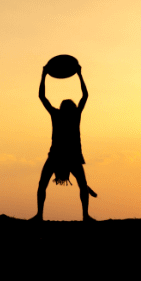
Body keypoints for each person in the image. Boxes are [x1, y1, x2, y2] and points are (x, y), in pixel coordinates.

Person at [33, 67, 96, 221]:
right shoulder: (74, 115)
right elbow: (85, 95)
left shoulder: (58, 114)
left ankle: (40, 215)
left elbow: (42, 96)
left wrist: (44, 75)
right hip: (66, 156)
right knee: (81, 184)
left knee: (43, 184)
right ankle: (85, 216)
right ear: (73, 107)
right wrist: (80, 74)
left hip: (59, 156)